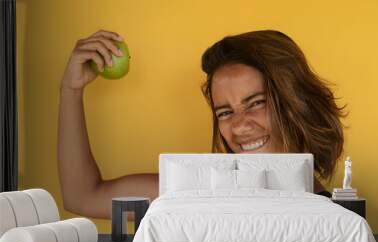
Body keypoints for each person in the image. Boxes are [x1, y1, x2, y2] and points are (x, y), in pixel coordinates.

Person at [58, 29, 346, 219]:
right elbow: (83, 196)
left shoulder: (335, 215)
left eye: (256, 103)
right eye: (224, 112)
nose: (240, 125)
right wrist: (71, 90)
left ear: (295, 101)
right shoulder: (200, 189)